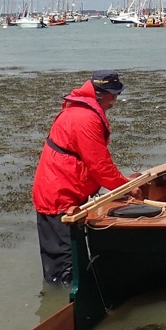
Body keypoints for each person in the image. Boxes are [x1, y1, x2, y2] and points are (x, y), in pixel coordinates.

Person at [32, 70, 140, 287]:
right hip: (59, 198)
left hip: (61, 190)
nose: (115, 102)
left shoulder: (79, 111)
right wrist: (128, 187)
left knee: (64, 261)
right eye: (115, 96)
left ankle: (64, 295)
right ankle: (67, 305)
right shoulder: (86, 118)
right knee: (65, 265)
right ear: (105, 95)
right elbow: (100, 167)